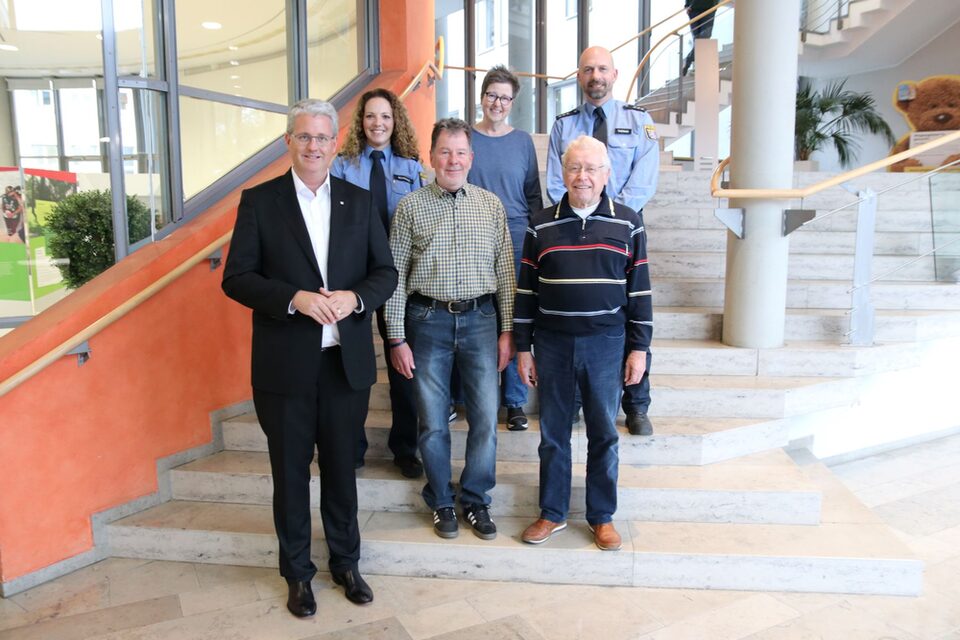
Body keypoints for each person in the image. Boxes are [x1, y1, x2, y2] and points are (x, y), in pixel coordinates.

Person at [221, 99, 398, 618]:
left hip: (346, 368)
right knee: (290, 476)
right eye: (304, 137)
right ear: (289, 143)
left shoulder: (359, 201)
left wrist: (354, 299)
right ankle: (297, 574)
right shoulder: (260, 201)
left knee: (343, 471)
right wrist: (294, 298)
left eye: (322, 138)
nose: (314, 146)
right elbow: (237, 278)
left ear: (335, 143)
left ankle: (346, 562)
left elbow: (384, 273)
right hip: (285, 368)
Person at [516, 135, 652, 551]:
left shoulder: (628, 222)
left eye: (592, 168)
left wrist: (639, 348)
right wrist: (523, 347)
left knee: (603, 434)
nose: (583, 176)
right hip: (553, 343)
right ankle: (552, 512)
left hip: (606, 344)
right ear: (562, 171)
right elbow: (526, 291)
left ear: (607, 174)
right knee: (553, 433)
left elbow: (640, 291)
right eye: (575, 167)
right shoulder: (540, 225)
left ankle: (601, 516)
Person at [385, 118, 516, 541]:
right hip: (427, 324)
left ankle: (476, 499)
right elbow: (395, 277)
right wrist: (395, 337)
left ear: (471, 159)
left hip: (481, 321)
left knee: (484, 420)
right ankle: (442, 500)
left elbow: (506, 273)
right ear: (431, 156)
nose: (453, 160)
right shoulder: (410, 207)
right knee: (433, 423)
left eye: (461, 152)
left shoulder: (491, 205)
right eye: (445, 151)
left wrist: (508, 331)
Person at [545, 45, 658, 437]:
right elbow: (556, 181)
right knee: (582, 313)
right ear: (579, 76)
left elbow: (644, 179)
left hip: (622, 233)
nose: (596, 75)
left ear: (615, 74)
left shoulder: (638, 121)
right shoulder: (563, 125)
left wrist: (610, 216)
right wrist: (586, 209)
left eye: (603, 69)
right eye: (589, 69)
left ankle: (637, 403)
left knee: (629, 311)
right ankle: (576, 399)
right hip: (573, 230)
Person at [330, 88, 426, 478]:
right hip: (353, 275)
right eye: (370, 116)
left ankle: (405, 447)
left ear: (395, 120)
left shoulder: (410, 165)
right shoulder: (342, 166)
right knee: (351, 365)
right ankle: (350, 446)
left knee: (403, 363)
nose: (378, 123)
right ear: (360, 122)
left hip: (397, 276)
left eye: (385, 116)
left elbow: (421, 220)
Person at [468, 65, 543, 432]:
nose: (497, 103)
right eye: (492, 95)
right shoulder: (465, 137)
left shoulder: (523, 141)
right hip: (473, 235)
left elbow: (533, 197)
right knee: (477, 317)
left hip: (515, 237)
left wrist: (534, 241)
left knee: (514, 319)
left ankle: (514, 401)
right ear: (482, 97)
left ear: (512, 103)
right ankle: (472, 395)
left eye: (505, 98)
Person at [682, 0, 719, 76]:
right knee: (697, 41)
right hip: (693, 9)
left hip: (709, 8)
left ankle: (688, 61)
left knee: (705, 37)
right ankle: (691, 62)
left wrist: (716, 4)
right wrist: (686, 6)